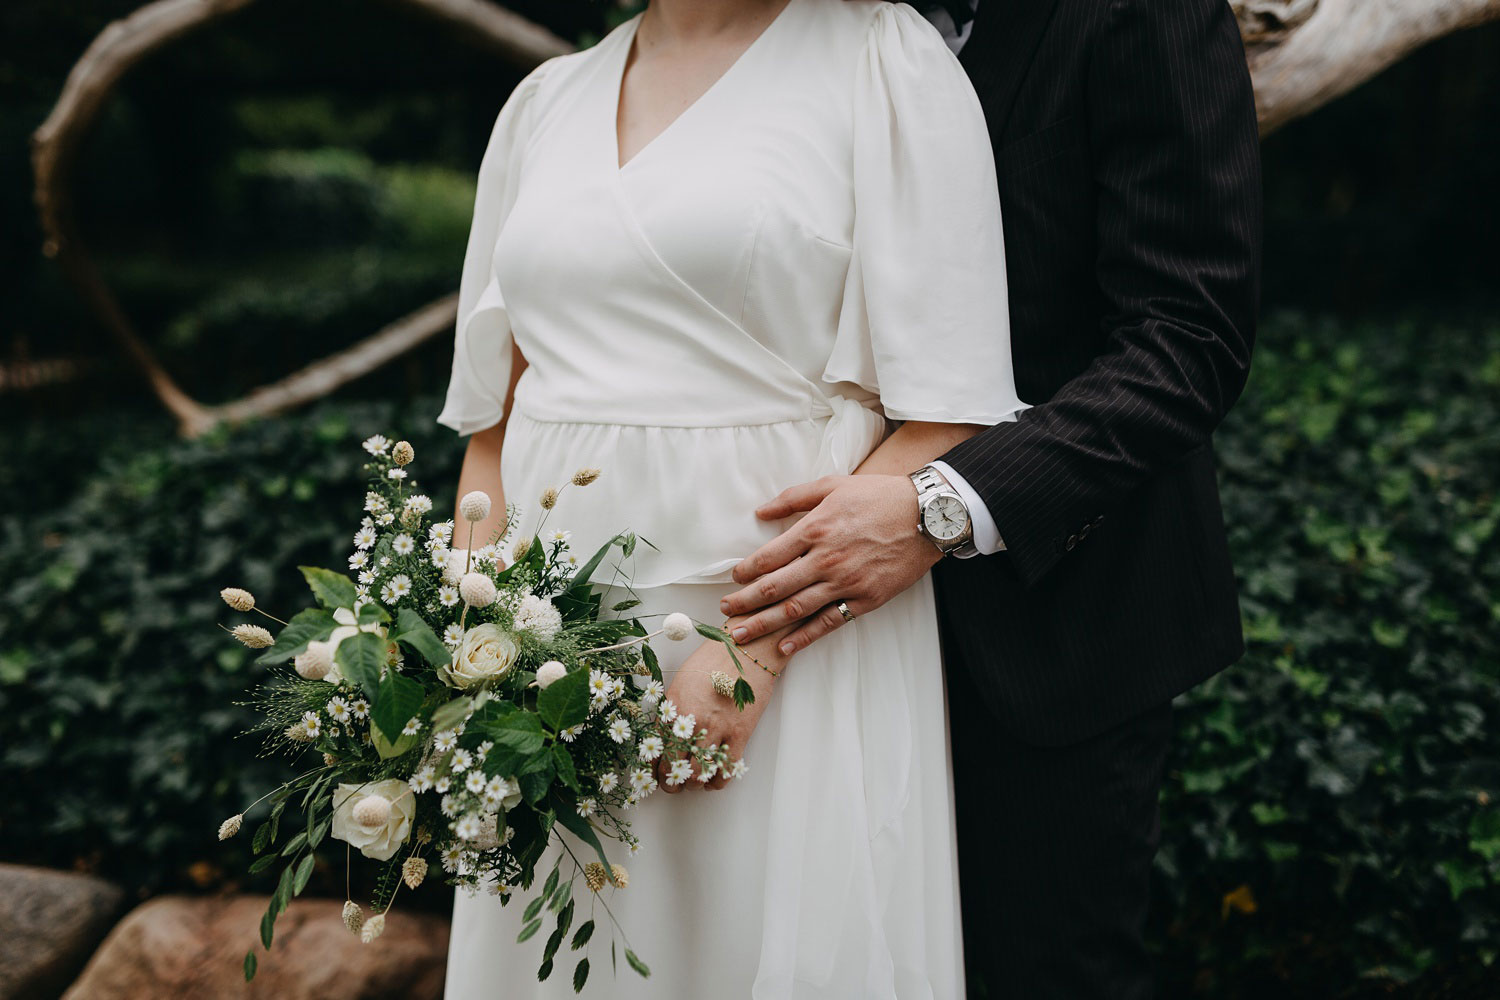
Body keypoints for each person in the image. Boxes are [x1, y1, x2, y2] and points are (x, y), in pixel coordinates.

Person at [435, 0, 1027, 996]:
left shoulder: (883, 64)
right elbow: (493, 417)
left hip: (771, 622)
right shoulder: (545, 101)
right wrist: (467, 641)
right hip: (543, 655)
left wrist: (751, 655)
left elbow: (949, 414)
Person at [721, 0, 1263, 996]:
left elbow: (1186, 335)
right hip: (807, 636)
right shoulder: (786, 23)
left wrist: (939, 504)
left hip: (1049, 625)